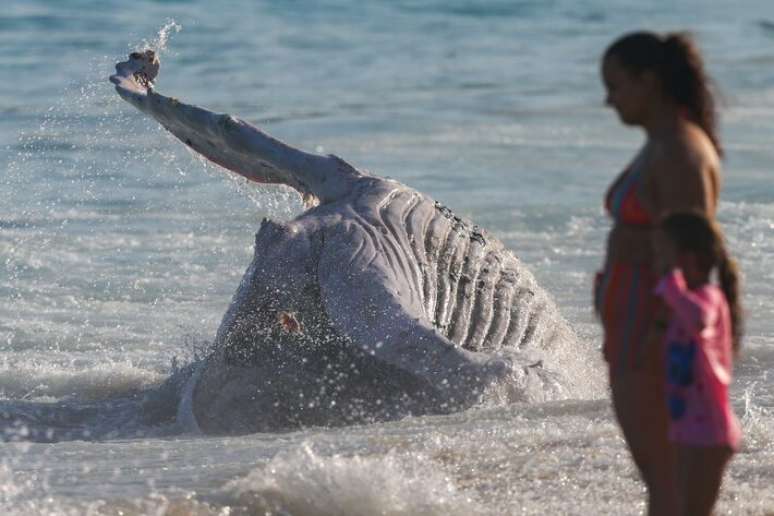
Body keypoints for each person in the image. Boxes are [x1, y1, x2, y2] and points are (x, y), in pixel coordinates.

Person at [594, 31, 723, 515]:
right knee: (661, 478)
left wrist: (661, 340)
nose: (609, 100)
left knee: (667, 481)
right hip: (637, 326)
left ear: (648, 81)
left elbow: (693, 259)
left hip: (655, 333)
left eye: (616, 86)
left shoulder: (679, 152)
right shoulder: (663, 144)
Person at [654, 212, 742, 516]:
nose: (658, 262)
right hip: (684, 427)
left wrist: (671, 285)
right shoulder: (679, 303)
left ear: (687, 258)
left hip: (711, 432)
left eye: (664, 254)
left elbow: (699, 319)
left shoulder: (710, 297)